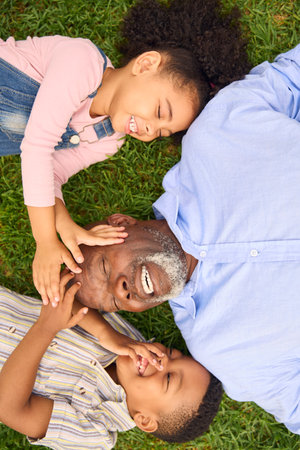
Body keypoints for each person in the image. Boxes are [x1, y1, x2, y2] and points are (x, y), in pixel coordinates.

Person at [69, 44, 300, 434]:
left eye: (106, 266)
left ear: (121, 222)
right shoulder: (222, 349)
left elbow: (291, 76)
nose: (122, 289)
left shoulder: (216, 136)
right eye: (116, 302)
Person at [0, 0, 251, 307]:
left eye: (162, 132)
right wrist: (46, 241)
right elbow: (37, 146)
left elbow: (51, 173)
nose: (150, 129)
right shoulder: (82, 62)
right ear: (145, 65)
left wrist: (63, 223)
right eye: (160, 111)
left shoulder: (108, 139)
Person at [0, 273, 222, 449]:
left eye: (169, 378)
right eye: (172, 353)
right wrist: (104, 332)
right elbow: (67, 286)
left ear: (144, 420)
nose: (162, 359)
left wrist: (46, 328)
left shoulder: (94, 432)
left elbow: (10, 409)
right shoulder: (129, 340)